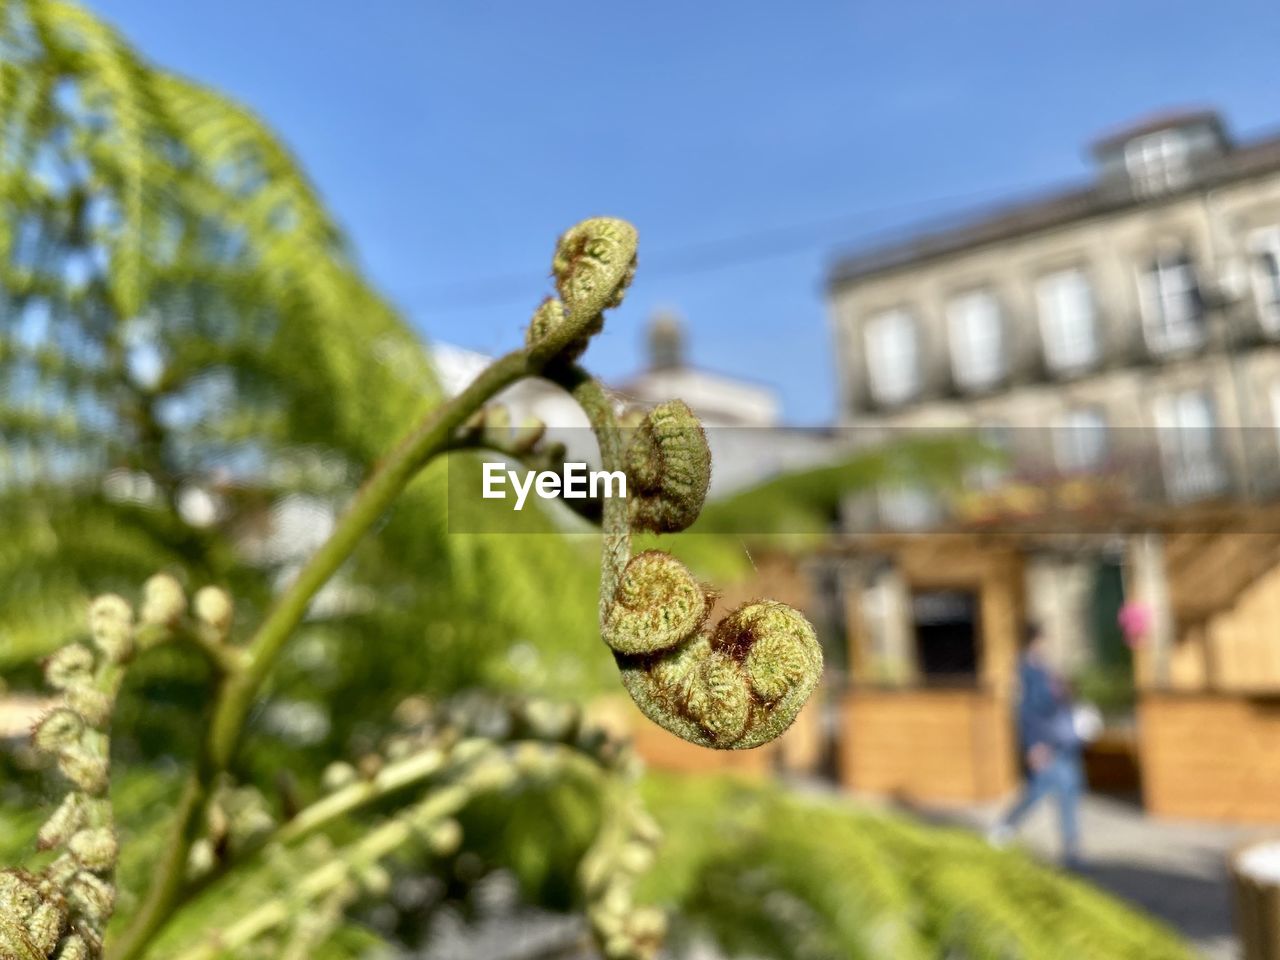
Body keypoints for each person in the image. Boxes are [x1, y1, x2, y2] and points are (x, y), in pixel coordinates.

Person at [988, 622, 1085, 869]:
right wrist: (1033, 745)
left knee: (1068, 792)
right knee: (1038, 791)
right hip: (1045, 743)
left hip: (1061, 741)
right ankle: (1005, 826)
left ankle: (1071, 851)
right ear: (1035, 639)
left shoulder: (1044, 667)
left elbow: (1056, 702)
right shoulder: (1026, 670)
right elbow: (1027, 712)